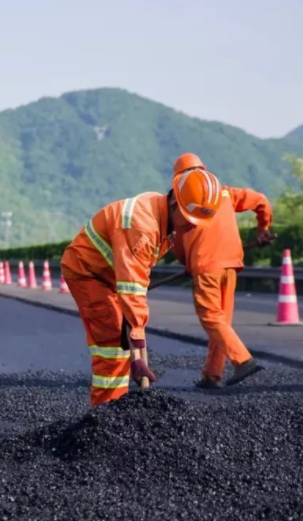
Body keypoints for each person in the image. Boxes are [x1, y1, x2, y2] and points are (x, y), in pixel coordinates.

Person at [60, 169, 224, 407]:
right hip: (88, 273)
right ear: (175, 203)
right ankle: (104, 416)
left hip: (112, 276)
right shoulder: (141, 227)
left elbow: (136, 281)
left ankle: (112, 410)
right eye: (190, 221)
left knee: (123, 336)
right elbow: (133, 290)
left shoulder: (162, 216)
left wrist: (134, 336)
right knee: (113, 347)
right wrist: (137, 347)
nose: (192, 228)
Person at [170, 153, 275, 389]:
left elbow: (177, 243)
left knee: (210, 316)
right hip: (231, 264)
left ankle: (243, 361)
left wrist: (188, 264)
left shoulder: (183, 202)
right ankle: (211, 375)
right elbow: (260, 201)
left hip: (207, 266)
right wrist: (263, 228)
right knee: (221, 321)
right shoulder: (225, 192)